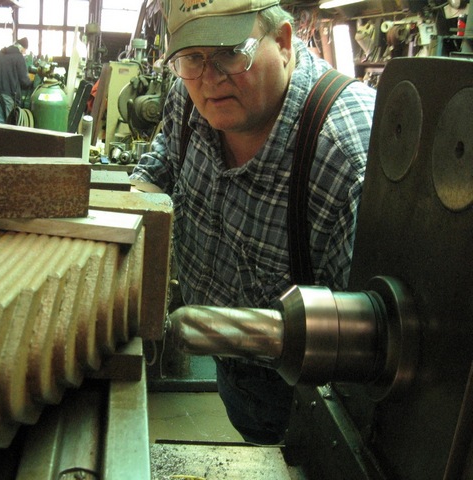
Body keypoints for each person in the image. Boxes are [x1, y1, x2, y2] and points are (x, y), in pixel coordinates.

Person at [130, 0, 377, 444]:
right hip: (226, 361)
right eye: (192, 57)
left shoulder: (346, 157)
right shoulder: (189, 100)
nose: (209, 77)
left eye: (229, 52)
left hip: (303, 401)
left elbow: (369, 358)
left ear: (282, 42)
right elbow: (164, 156)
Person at [0, 37, 32, 123]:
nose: (25, 53)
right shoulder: (18, 57)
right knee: (10, 123)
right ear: (21, 48)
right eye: (25, 50)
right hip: (8, 93)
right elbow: (24, 81)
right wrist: (32, 82)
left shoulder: (0, 53)